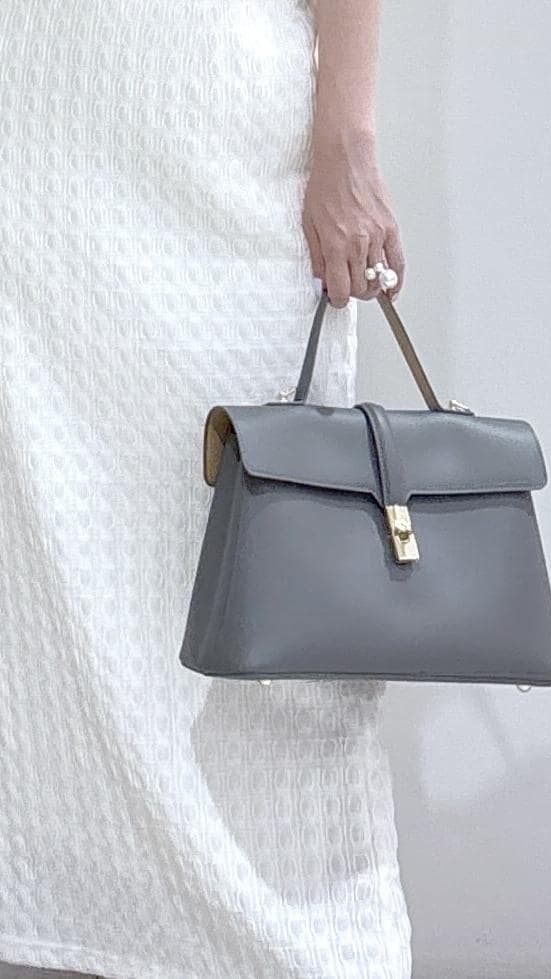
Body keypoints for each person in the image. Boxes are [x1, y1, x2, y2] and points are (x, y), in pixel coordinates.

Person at [0, 1, 412, 978]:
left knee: (247, 544)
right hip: (32, 119)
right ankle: (86, 911)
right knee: (41, 560)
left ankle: (298, 938)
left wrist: (348, 139)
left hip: (210, 132)